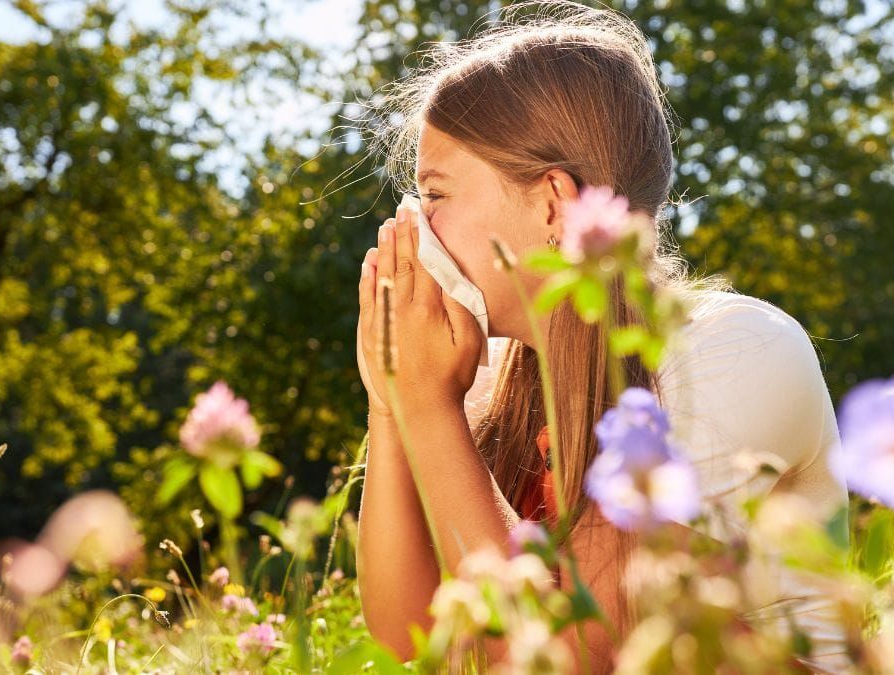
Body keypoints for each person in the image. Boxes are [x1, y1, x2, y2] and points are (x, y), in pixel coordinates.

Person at [353, 1, 850, 672]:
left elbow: (580, 655)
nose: (415, 225)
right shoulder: (495, 377)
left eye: (434, 194)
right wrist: (393, 402)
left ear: (552, 204)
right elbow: (412, 632)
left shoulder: (733, 351)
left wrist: (427, 408)